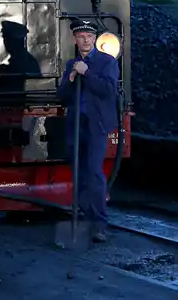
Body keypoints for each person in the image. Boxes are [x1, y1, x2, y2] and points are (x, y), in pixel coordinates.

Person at [58, 17, 119, 243]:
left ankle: (100, 224)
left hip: (96, 125)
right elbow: (62, 96)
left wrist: (87, 73)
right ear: (75, 39)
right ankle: (85, 216)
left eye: (90, 37)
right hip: (76, 124)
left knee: (94, 172)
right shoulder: (70, 65)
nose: (86, 40)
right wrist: (72, 78)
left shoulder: (106, 62)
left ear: (95, 39)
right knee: (79, 173)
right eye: (82, 37)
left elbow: (109, 90)